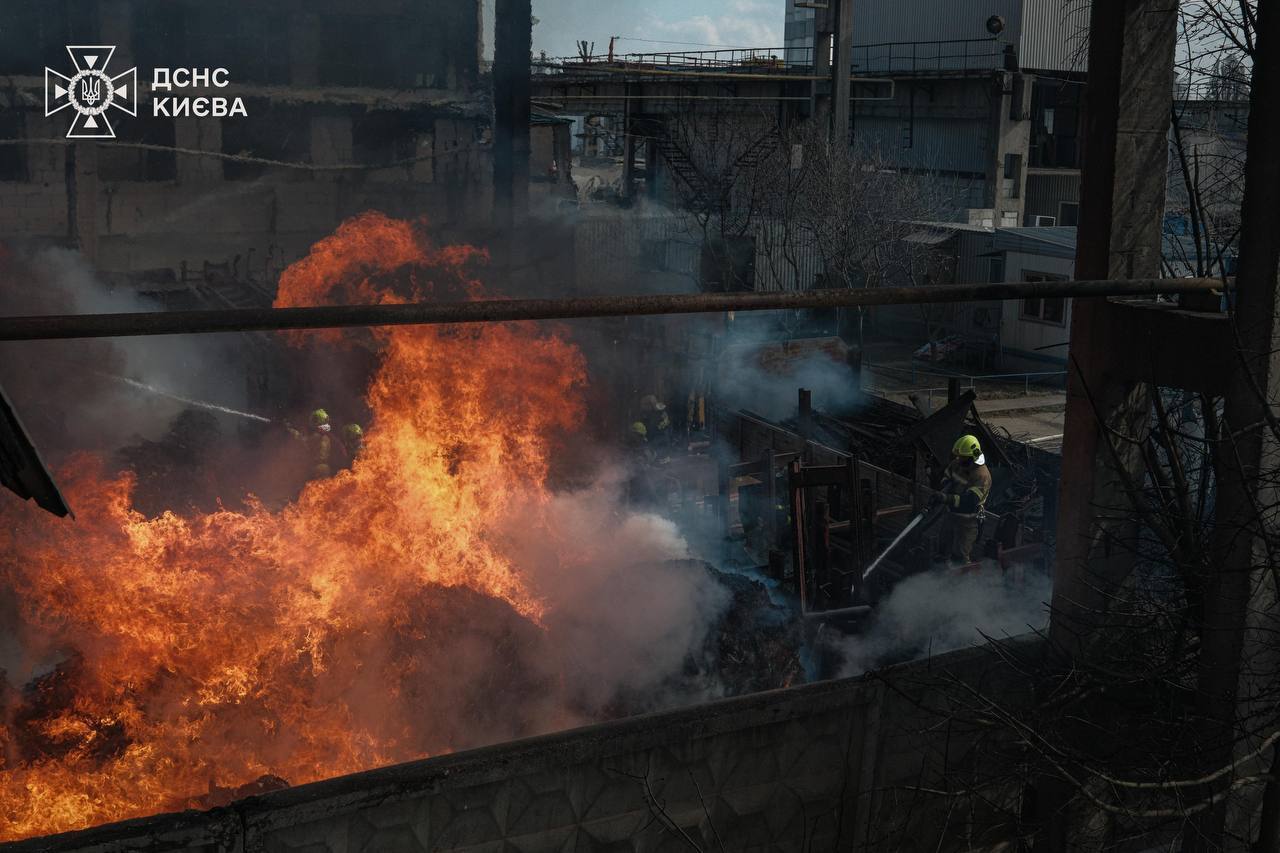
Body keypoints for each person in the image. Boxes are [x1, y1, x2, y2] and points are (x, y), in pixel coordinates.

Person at [933, 434, 992, 565]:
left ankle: (960, 582)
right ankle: (938, 574)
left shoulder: (982, 476)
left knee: (960, 555)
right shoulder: (957, 464)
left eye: (963, 457)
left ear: (973, 457)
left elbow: (969, 502)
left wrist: (946, 498)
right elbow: (946, 477)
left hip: (968, 520)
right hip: (951, 514)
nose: (959, 460)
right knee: (942, 547)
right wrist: (944, 487)